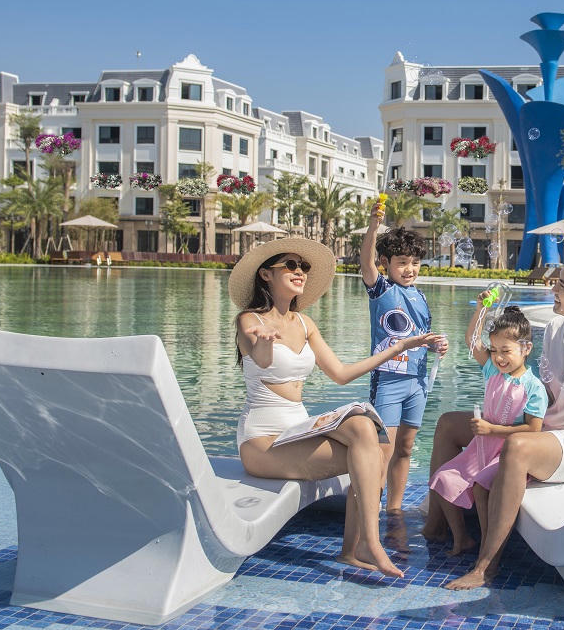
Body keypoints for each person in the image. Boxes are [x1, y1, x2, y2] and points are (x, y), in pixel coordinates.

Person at [425, 249, 564, 590]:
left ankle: (486, 566)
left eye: (562, 284)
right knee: (449, 423)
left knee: (518, 446)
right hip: (548, 429)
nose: (553, 288)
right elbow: (547, 392)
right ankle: (436, 525)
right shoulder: (557, 328)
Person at [230, 236, 444, 579]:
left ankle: (358, 546)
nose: (300, 271)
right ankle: (366, 545)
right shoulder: (249, 320)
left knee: (363, 426)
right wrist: (266, 343)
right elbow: (260, 358)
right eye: (291, 265)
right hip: (262, 442)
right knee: (368, 456)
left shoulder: (305, 324)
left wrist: (399, 347)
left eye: (303, 266)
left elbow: (341, 374)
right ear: (266, 274)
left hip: (297, 431)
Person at [428, 300, 547, 556]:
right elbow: (472, 340)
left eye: (505, 351)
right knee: (442, 478)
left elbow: (533, 430)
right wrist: (481, 308)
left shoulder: (533, 388)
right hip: (481, 447)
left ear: (526, 348)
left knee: (482, 488)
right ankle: (461, 538)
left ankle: (486, 545)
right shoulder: (492, 371)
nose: (499, 357)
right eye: (494, 350)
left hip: (505, 453)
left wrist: (492, 430)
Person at [361, 200, 447, 513]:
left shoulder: (420, 296)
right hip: (389, 380)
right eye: (402, 262)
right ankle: (369, 511)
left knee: (406, 448)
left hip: (418, 382)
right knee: (383, 451)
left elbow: (421, 337)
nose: (409, 269)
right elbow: (366, 262)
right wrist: (373, 227)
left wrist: (436, 346)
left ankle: (394, 510)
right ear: (386, 262)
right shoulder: (381, 289)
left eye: (414, 262)